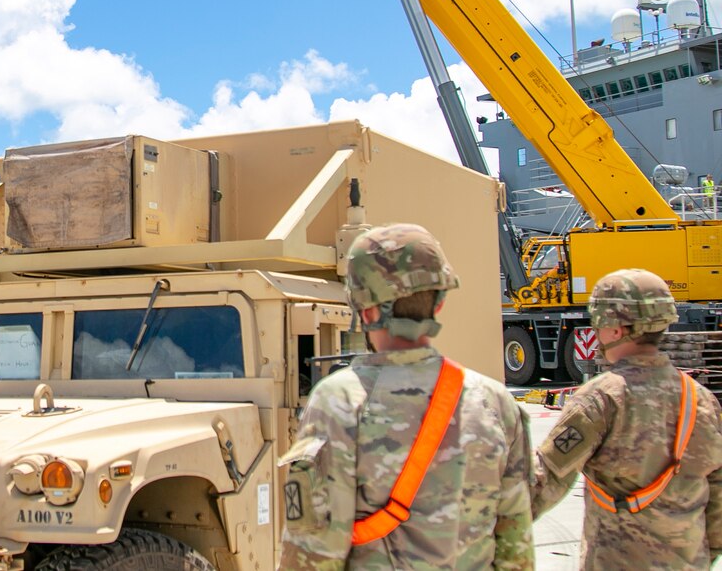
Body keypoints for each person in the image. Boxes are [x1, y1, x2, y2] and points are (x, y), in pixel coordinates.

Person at [278, 223, 534, 570]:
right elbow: (516, 548)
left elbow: (313, 554)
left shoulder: (339, 400)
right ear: (439, 303)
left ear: (365, 310)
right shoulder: (496, 401)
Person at [532, 269, 722, 568]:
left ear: (615, 329)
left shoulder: (602, 398)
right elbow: (717, 496)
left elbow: (545, 481)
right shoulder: (700, 398)